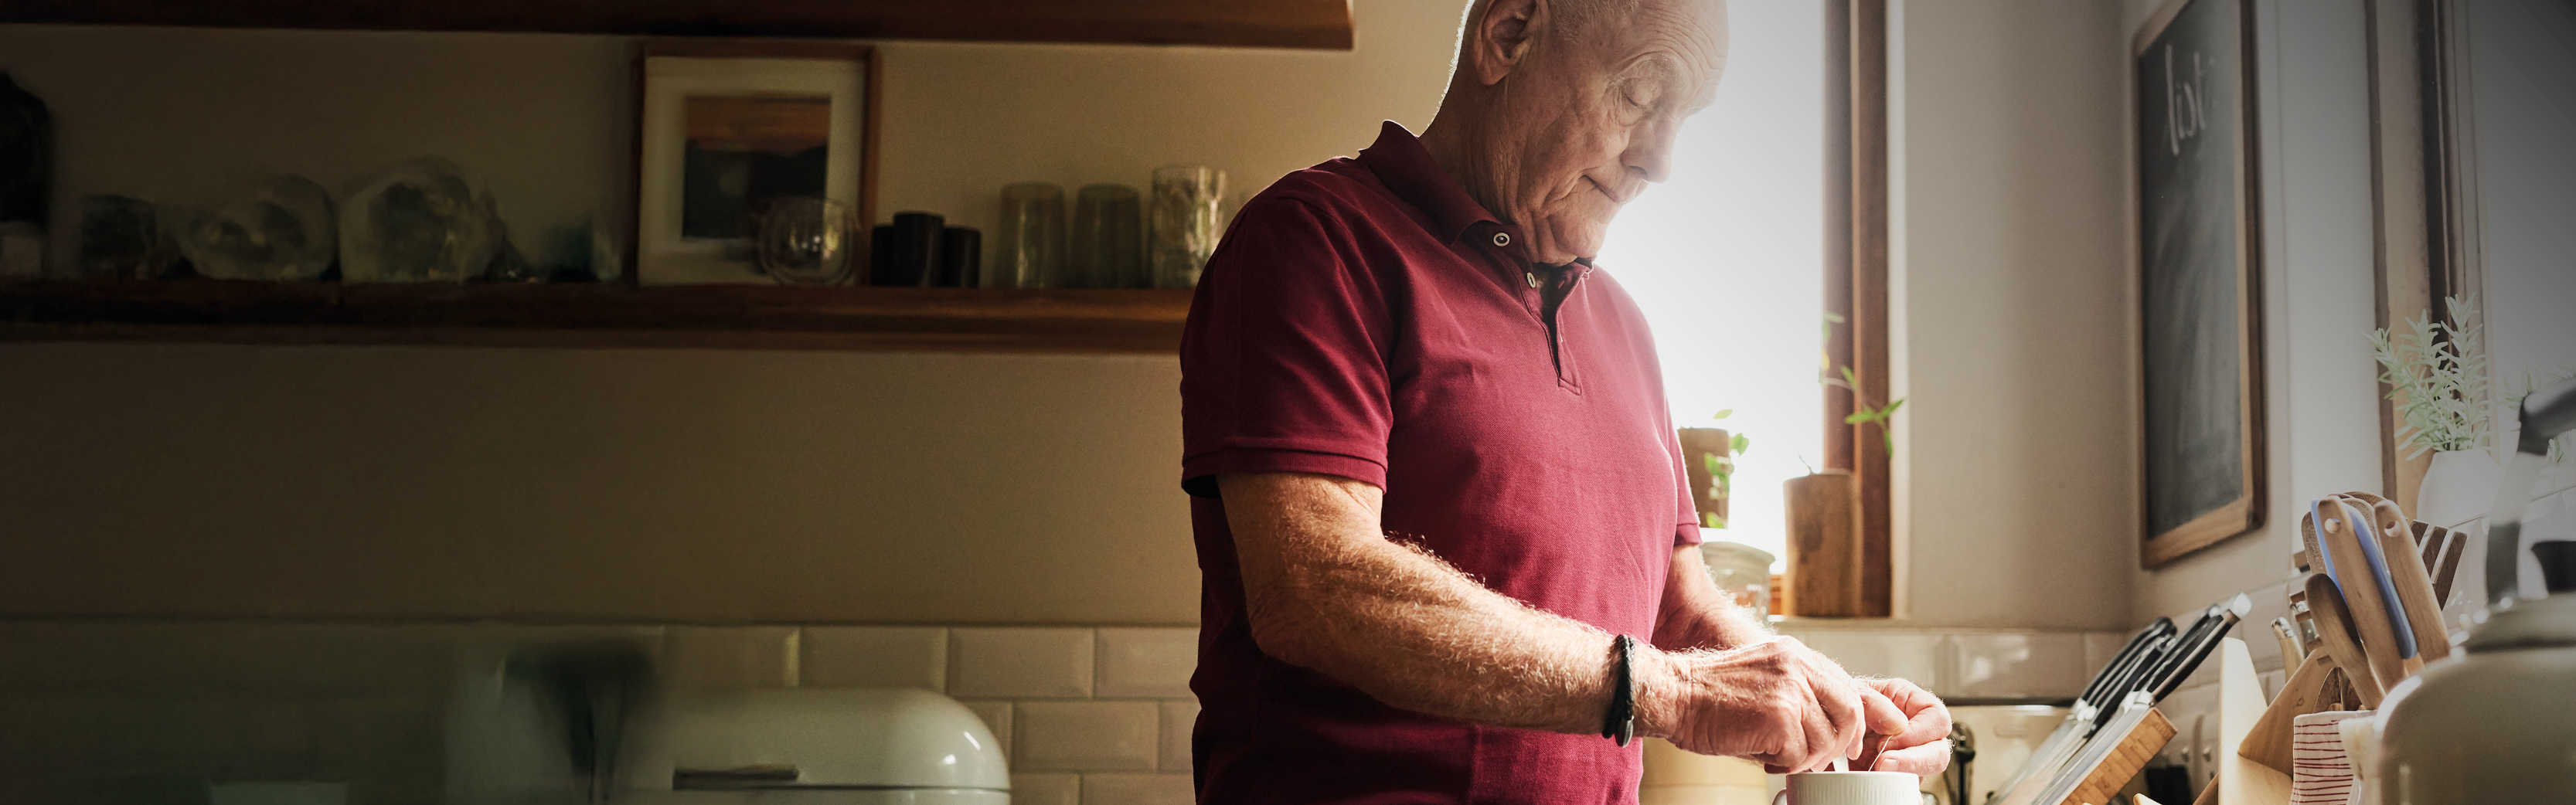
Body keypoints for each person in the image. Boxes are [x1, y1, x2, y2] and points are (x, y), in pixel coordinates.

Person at [1176, 0, 1951, 803]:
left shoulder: (1625, 325)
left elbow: (1678, 614)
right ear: (1508, 37)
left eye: (1684, 118)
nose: (1661, 160)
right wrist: (1672, 693)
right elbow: (1313, 587)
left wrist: (1832, 708)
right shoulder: (1314, 241)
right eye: (1642, 96)